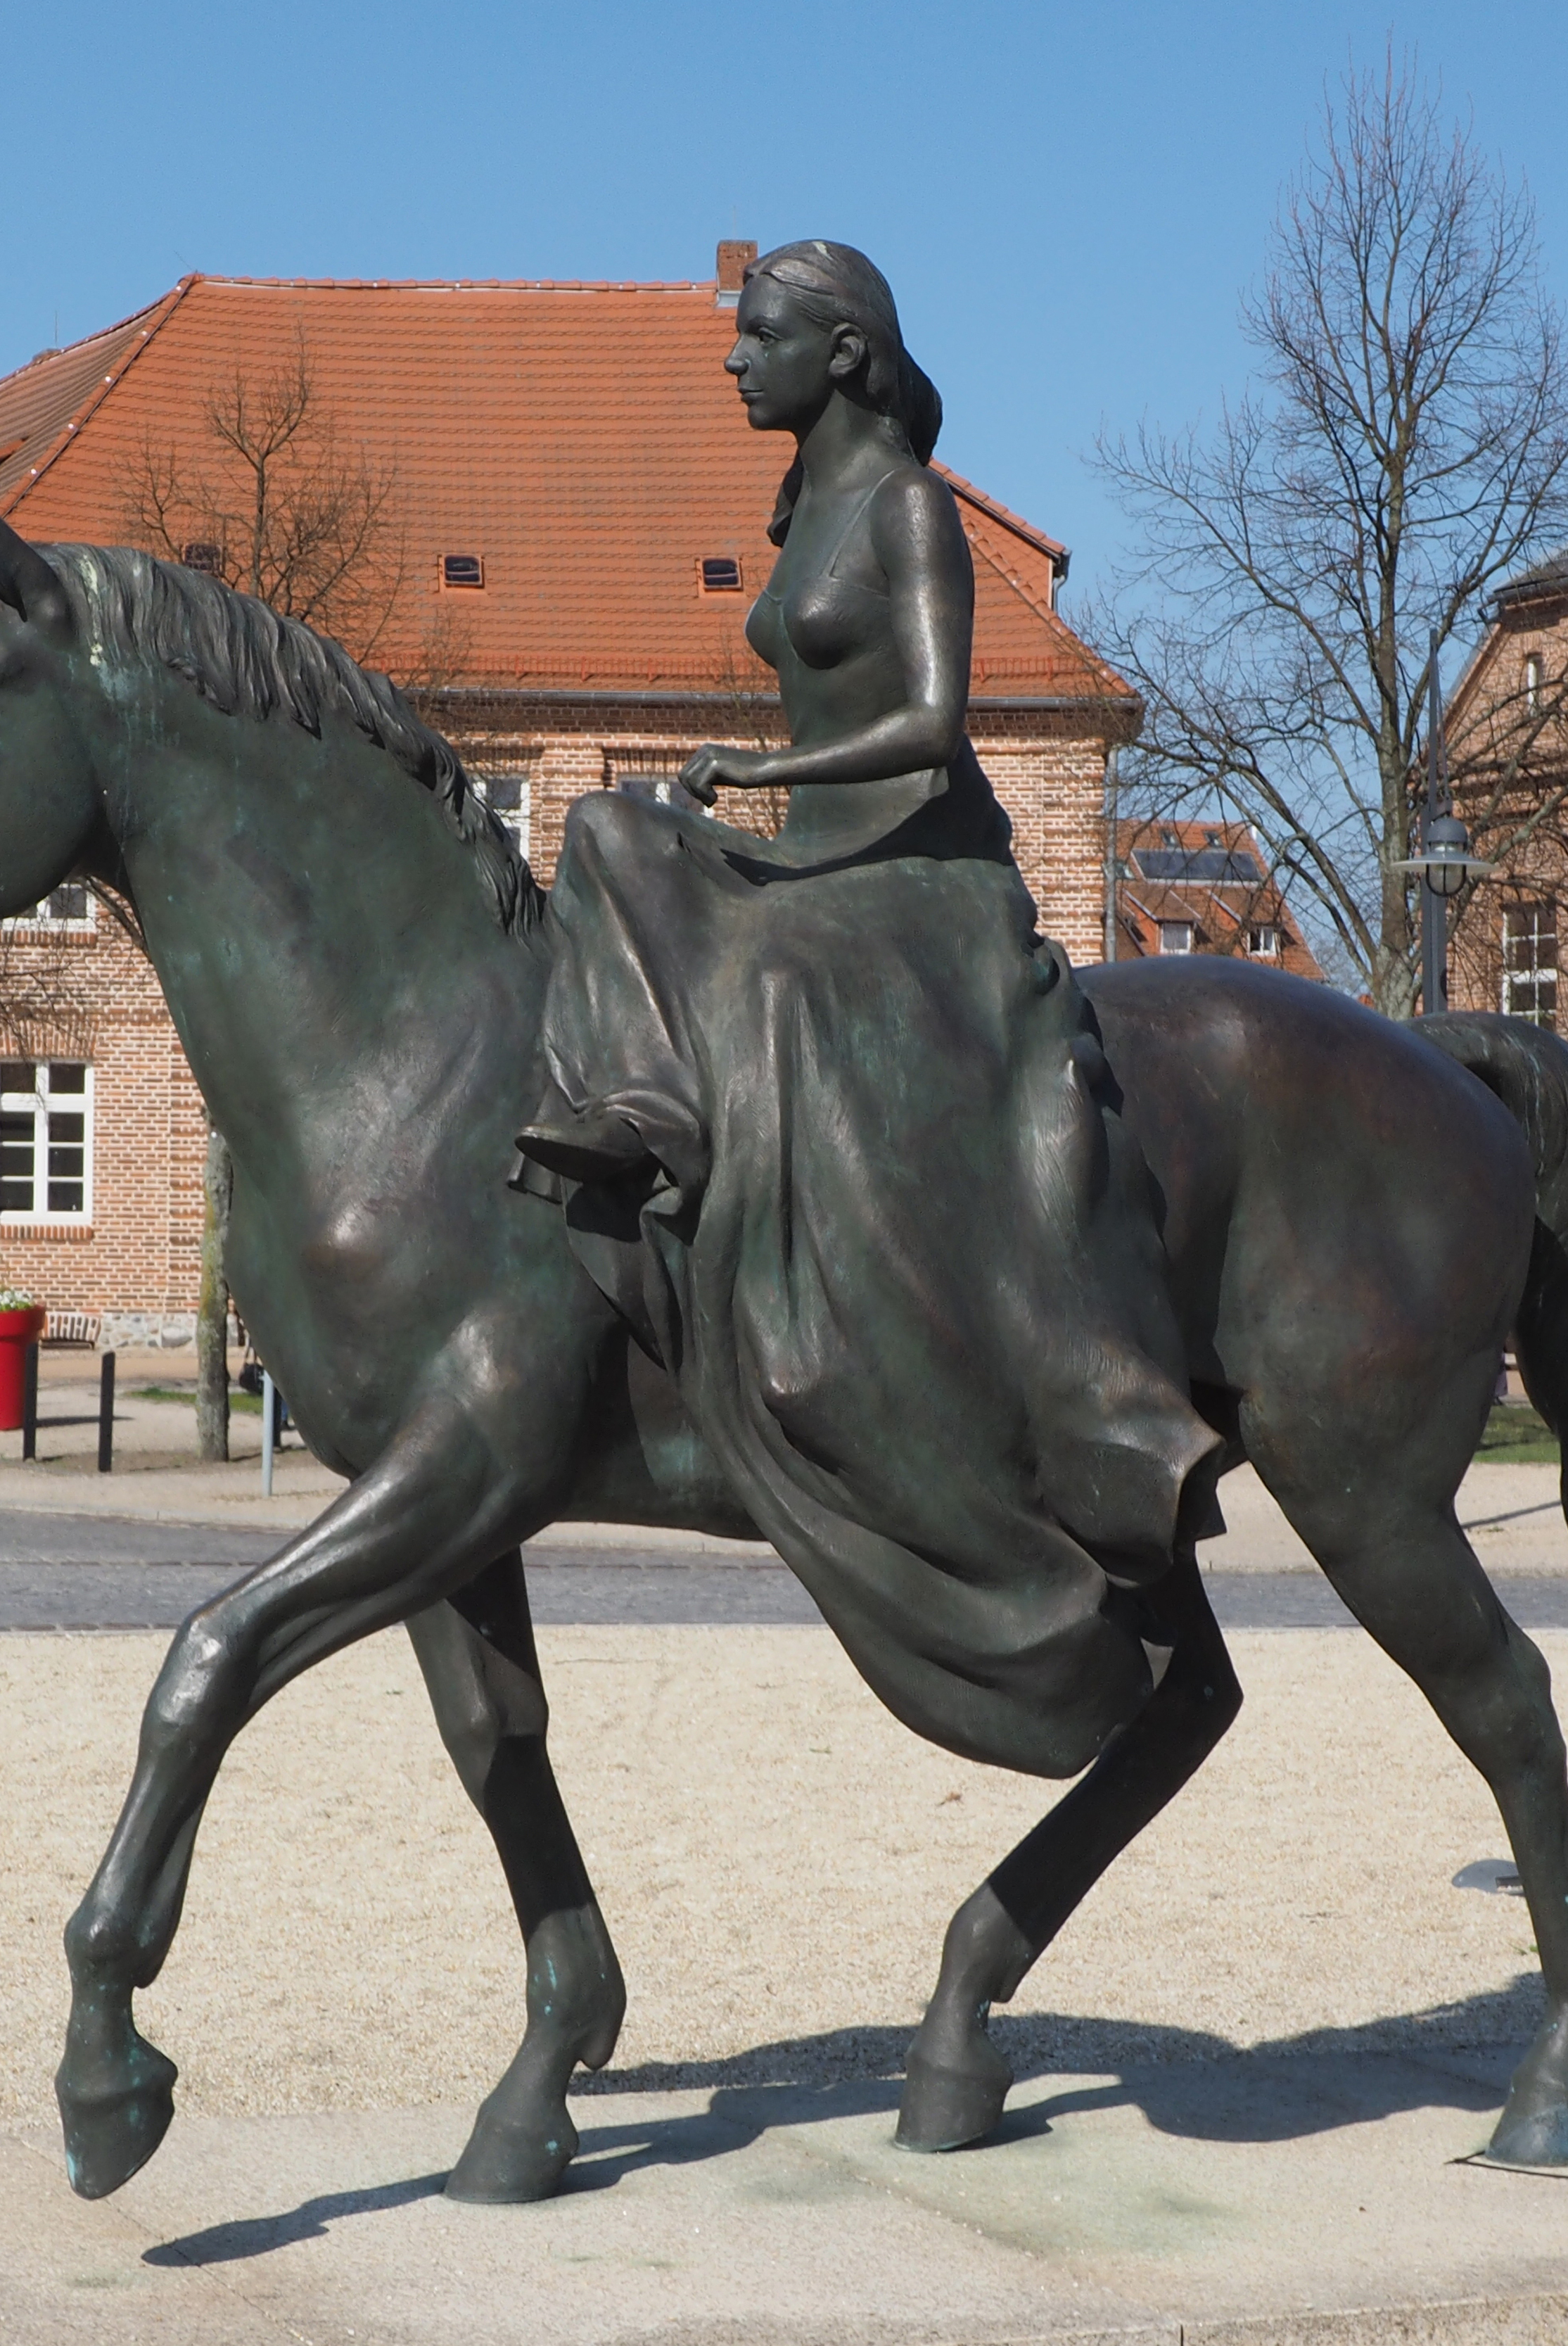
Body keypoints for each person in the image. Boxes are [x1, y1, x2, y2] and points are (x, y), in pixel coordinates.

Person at [511, 241, 1214, 1780]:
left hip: (924, 870)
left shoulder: (907, 505)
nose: (731, 359)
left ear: (840, 352)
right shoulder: (800, 506)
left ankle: (843, 1298)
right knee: (605, 831)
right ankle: (641, 1113)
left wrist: (767, 775)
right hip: (817, 857)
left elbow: (934, 721)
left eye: (757, 336)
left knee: (737, 949)